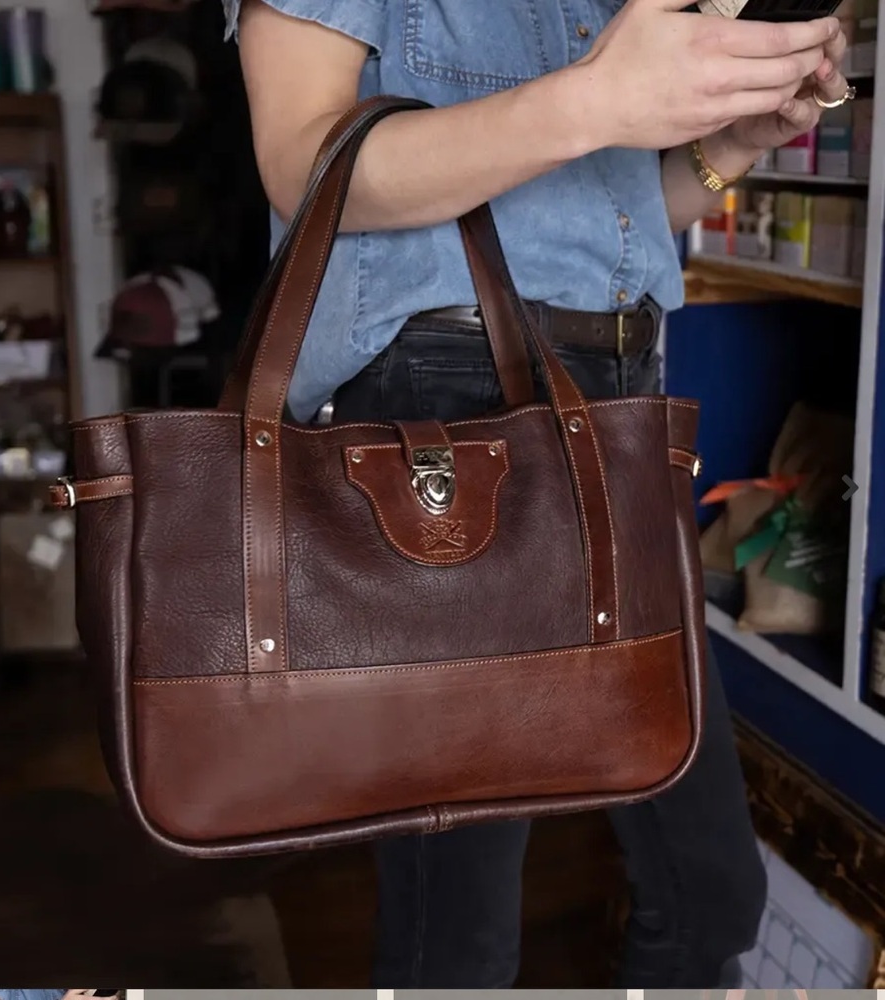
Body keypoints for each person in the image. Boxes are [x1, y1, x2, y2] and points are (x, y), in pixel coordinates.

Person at [221, 0, 851, 987]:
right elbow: (303, 163)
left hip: (615, 421)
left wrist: (734, 137)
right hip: (442, 424)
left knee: (711, 891)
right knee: (458, 935)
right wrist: (595, 98)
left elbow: (606, 220)